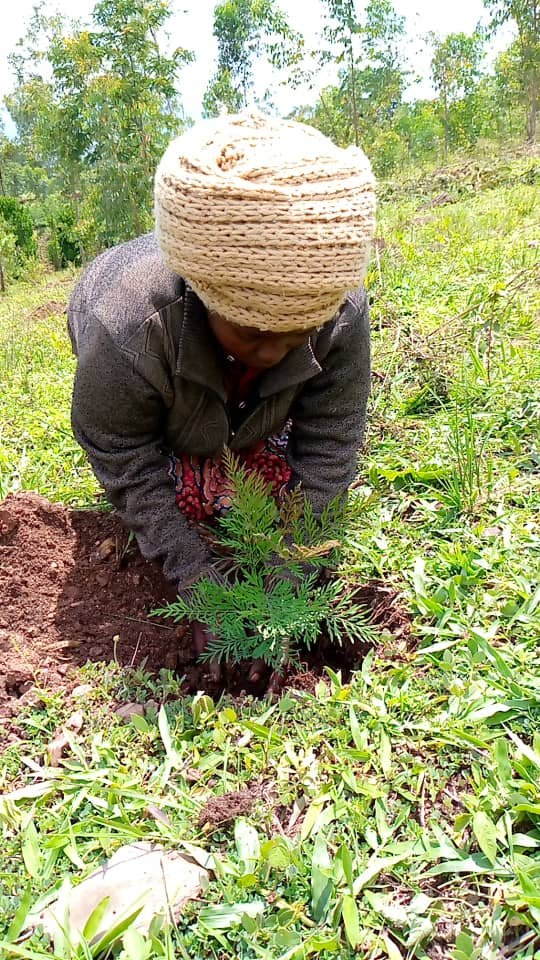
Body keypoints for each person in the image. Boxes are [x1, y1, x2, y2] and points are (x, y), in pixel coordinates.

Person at [67, 112, 376, 675]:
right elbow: (122, 453)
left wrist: (289, 570)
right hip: (138, 376)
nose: (273, 354)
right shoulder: (128, 332)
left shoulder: (337, 307)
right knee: (186, 485)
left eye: (299, 334)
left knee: (254, 486)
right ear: (203, 292)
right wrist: (197, 578)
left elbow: (330, 447)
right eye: (253, 331)